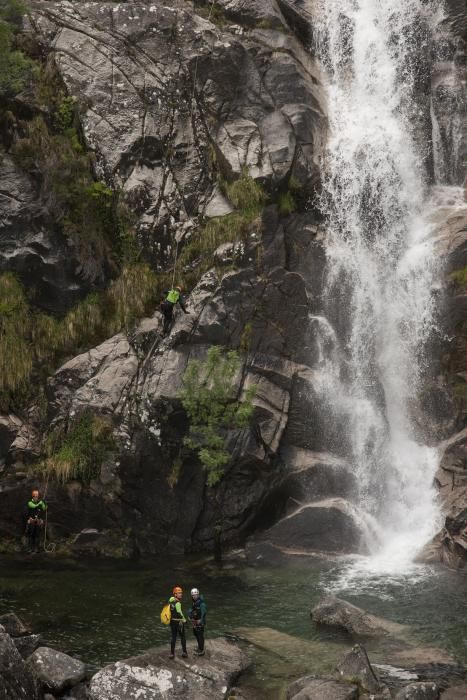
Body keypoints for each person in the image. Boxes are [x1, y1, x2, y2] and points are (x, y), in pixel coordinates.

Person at [168, 586, 188, 659]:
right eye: (179, 593)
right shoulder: (178, 603)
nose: (181, 594)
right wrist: (185, 621)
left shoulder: (171, 601)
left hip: (172, 621)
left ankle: (172, 654)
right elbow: (180, 613)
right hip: (179, 623)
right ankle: (184, 652)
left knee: (173, 637)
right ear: (175, 594)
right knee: (183, 637)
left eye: (181, 593)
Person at [188, 587, 207, 656]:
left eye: (195, 595)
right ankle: (199, 647)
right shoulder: (194, 603)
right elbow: (192, 610)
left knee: (200, 635)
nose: (194, 596)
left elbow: (203, 613)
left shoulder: (202, 604)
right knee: (196, 634)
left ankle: (201, 650)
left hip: (200, 622)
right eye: (193, 595)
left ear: (198, 595)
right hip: (195, 621)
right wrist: (190, 615)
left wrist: (201, 621)